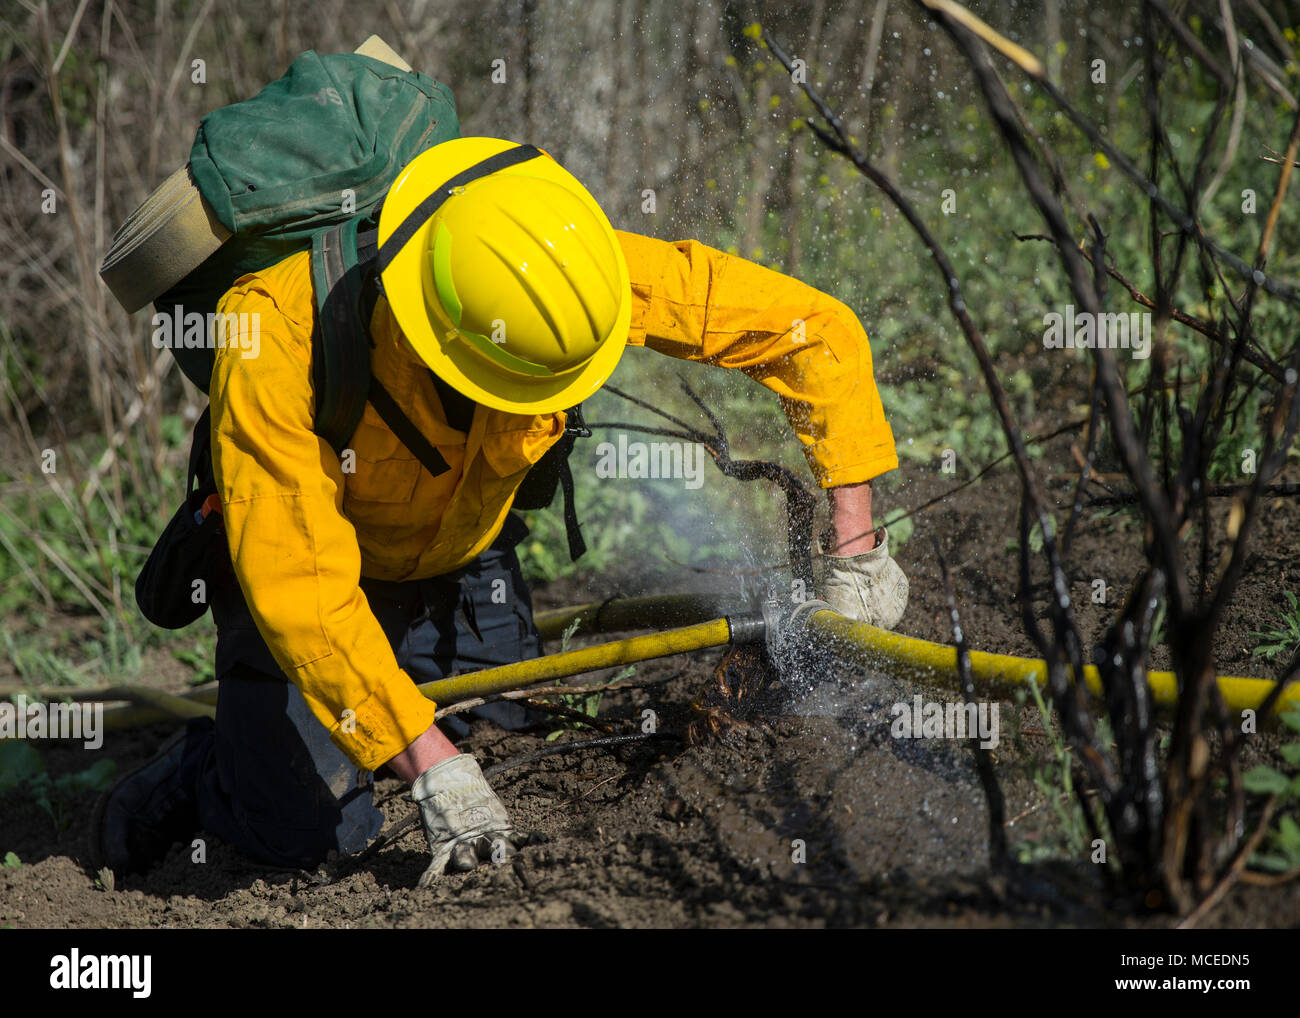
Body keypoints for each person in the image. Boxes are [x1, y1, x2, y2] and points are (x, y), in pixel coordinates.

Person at [90, 137, 907, 885]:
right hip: (309, 572)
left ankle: (390, 697)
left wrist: (856, 546)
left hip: (458, 550)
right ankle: (214, 764)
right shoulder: (270, 334)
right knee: (313, 834)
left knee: (514, 732)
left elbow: (812, 333)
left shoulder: (559, 265)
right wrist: (430, 763)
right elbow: (298, 582)